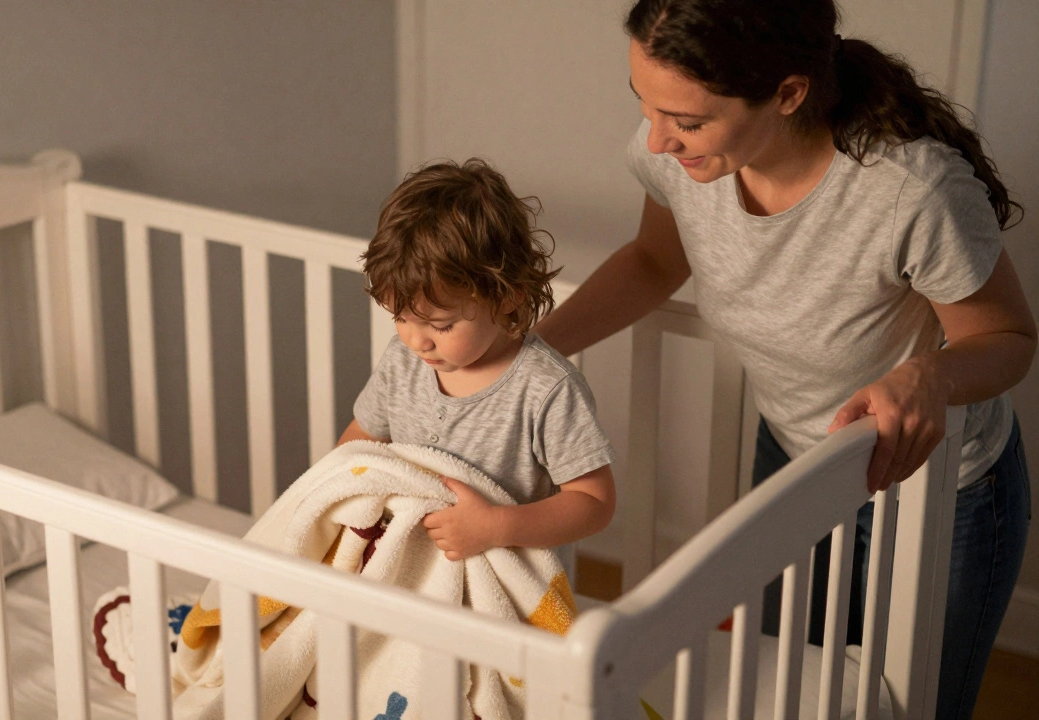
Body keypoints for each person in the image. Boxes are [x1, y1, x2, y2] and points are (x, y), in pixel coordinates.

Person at [532, 1, 1035, 717]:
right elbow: (652, 262)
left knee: (914, 705)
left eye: (686, 120)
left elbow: (1008, 338)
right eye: (644, 104)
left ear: (789, 93)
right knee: (786, 688)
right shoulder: (675, 158)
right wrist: (532, 349)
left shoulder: (911, 192)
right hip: (800, 462)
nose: (657, 139)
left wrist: (931, 374)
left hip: (940, 489)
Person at [336, 159, 617, 569]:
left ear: (507, 297)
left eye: (441, 325)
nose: (417, 341)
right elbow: (361, 440)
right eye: (401, 318)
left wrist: (496, 526)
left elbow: (594, 502)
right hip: (407, 568)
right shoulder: (402, 361)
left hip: (507, 580)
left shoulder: (545, 389)